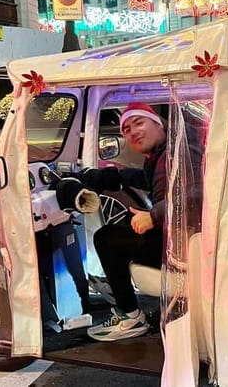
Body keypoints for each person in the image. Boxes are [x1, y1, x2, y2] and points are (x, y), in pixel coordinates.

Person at [77, 102, 168, 342]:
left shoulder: (172, 155)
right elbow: (146, 179)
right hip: (178, 237)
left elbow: (193, 197)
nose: (134, 131)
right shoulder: (159, 155)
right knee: (124, 227)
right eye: (127, 129)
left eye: (139, 122)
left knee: (105, 238)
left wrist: (153, 216)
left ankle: (130, 315)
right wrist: (110, 176)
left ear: (158, 123)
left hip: (178, 246)